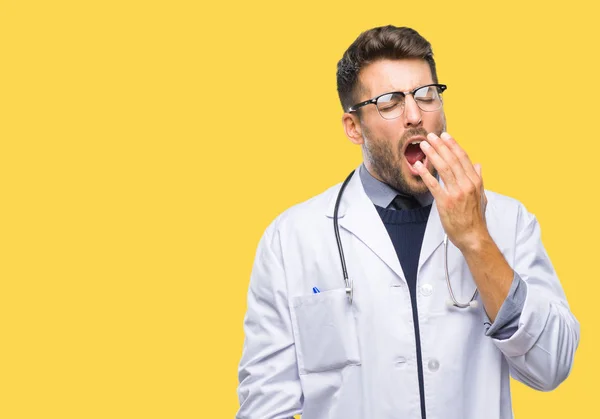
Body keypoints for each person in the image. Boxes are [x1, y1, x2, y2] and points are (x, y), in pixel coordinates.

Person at [236, 25, 580, 419]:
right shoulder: (291, 239)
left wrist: (475, 238)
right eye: (390, 102)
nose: (415, 116)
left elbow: (552, 365)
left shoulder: (508, 221)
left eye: (425, 95)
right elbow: (264, 405)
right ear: (353, 127)